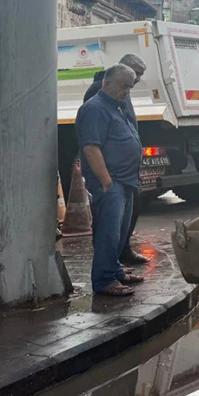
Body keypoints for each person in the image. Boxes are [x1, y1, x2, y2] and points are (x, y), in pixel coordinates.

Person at [76, 64, 145, 296]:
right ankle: (104, 280)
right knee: (109, 233)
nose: (127, 91)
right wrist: (106, 181)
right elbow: (91, 148)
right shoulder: (95, 109)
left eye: (130, 87)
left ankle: (114, 270)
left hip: (125, 181)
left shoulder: (116, 107)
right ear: (107, 84)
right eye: (124, 86)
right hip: (111, 182)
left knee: (119, 233)